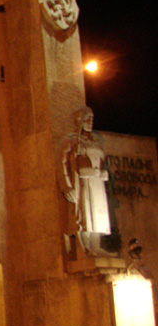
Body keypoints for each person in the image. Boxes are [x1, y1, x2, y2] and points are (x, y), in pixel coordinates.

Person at [58, 106, 111, 253]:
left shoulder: (95, 141)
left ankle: (96, 245)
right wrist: (66, 186)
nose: (90, 122)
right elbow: (61, 163)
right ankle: (86, 247)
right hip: (82, 183)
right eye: (87, 119)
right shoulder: (71, 140)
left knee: (98, 214)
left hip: (97, 183)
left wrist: (103, 172)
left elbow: (100, 160)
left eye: (92, 119)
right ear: (79, 121)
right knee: (84, 213)